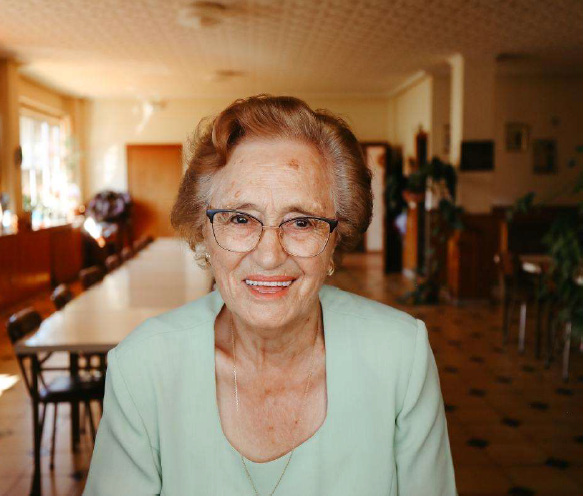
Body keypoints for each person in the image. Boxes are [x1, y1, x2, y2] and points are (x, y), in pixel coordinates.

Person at [84, 95, 456, 495]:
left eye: (302, 222)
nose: (268, 255)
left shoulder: (401, 357)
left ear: (336, 238)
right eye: (240, 218)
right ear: (203, 232)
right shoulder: (143, 368)